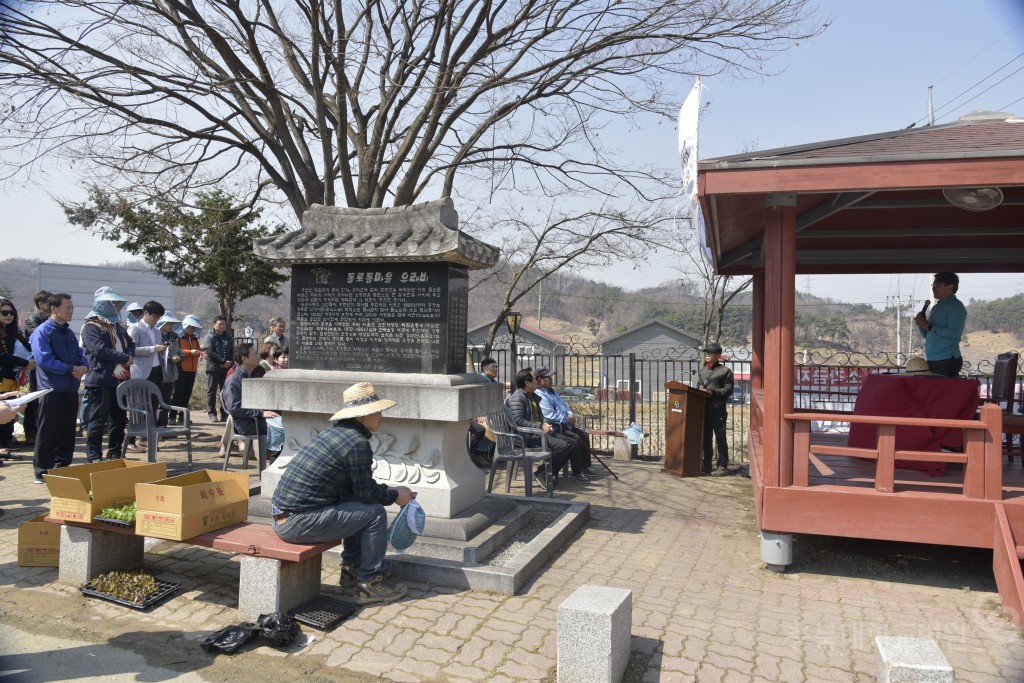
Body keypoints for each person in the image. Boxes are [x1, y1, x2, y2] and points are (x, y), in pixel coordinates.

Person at [271, 381, 414, 605]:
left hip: (284, 517)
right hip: (297, 522)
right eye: (377, 410)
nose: (381, 415)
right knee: (375, 513)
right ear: (362, 416)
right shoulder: (357, 443)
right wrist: (396, 496)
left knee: (361, 508)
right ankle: (370, 584)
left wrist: (392, 490)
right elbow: (367, 495)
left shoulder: (337, 434)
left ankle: (352, 570)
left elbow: (356, 490)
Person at [31, 293, 89, 482]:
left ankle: (62, 467)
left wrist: (84, 366)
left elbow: (81, 354)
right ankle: (42, 471)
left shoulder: (68, 332)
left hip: (71, 388)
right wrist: (71, 369)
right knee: (48, 431)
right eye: (67, 307)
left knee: (67, 431)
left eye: (72, 307)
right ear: (53, 309)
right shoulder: (43, 331)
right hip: (52, 389)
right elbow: (44, 359)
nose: (71, 311)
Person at [505, 368, 585, 488]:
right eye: (534, 380)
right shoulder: (518, 398)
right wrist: (540, 427)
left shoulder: (532, 396)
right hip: (527, 437)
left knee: (572, 443)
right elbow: (518, 421)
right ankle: (543, 473)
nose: (537, 382)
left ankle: (543, 473)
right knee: (562, 446)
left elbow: (540, 417)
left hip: (539, 433)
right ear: (527, 383)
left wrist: (546, 424)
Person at [81, 289, 135, 462]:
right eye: (115, 304)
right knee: (97, 420)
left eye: (119, 304)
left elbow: (130, 343)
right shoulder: (91, 326)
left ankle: (114, 453)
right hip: (101, 378)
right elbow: (99, 350)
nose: (118, 307)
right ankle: (94, 456)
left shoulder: (118, 326)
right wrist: (124, 357)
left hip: (120, 379)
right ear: (104, 306)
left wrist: (128, 356)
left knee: (119, 420)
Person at [534, 366, 597, 477]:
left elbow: (564, 405)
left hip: (566, 423)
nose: (552, 380)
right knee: (575, 439)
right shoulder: (540, 394)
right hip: (557, 426)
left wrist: (570, 414)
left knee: (584, 435)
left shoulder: (552, 392)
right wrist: (566, 419)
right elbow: (549, 415)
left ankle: (584, 467)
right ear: (540, 380)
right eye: (548, 378)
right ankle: (576, 472)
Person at [914, 272, 967, 378]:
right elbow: (929, 334)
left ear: (950, 287)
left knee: (945, 393)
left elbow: (954, 333)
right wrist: (922, 324)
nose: (933, 288)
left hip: (947, 358)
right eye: (933, 285)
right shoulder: (936, 307)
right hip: (933, 358)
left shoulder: (956, 306)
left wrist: (929, 326)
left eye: (937, 285)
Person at [0, 297, 34, 459]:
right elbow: (2, 357)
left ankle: (5, 448)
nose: (9, 315)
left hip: (12, 380)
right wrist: (25, 363)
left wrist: (31, 359)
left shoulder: (15, 332)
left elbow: (29, 347)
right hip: (1, 380)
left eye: (11, 312)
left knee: (9, 415)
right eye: (4, 312)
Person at [221, 342, 278, 438]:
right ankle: (272, 453)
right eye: (254, 354)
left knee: (286, 421)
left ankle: (272, 452)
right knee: (280, 427)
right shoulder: (234, 380)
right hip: (246, 423)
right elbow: (234, 407)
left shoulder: (255, 375)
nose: (258, 356)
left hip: (257, 418)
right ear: (244, 359)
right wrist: (261, 413)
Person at [697, 342, 734, 476]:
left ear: (718, 356)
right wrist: (699, 389)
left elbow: (728, 390)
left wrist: (713, 392)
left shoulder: (725, 371)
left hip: (718, 410)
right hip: (704, 409)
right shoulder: (703, 370)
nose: (707, 355)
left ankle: (723, 466)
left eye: (710, 353)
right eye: (707, 353)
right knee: (706, 438)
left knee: (720, 438)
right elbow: (698, 386)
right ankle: (706, 464)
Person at [21, 290, 51, 446]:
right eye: (49, 302)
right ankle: (31, 432)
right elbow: (41, 339)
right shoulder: (33, 320)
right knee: (34, 399)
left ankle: (44, 432)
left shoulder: (52, 319)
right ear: (41, 304)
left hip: (50, 365)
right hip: (37, 364)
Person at [467, 358, 499, 468]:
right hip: (474, 414)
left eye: (496, 367)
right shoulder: (479, 381)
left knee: (499, 424)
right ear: (484, 368)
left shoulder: (493, 382)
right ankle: (473, 454)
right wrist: (477, 414)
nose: (496, 369)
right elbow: (472, 400)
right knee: (482, 428)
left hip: (487, 414)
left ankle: (486, 455)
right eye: (493, 367)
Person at [171, 315, 203, 424]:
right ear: (185, 326)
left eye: (194, 328)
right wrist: (191, 352)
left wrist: (200, 351)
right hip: (181, 368)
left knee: (187, 394)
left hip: (192, 369)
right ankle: (172, 416)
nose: (193, 330)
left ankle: (182, 417)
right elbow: (181, 351)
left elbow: (196, 349)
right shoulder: (179, 338)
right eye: (191, 327)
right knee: (178, 393)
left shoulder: (194, 338)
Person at [203, 315, 234, 422]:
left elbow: (231, 351)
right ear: (214, 324)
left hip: (226, 368)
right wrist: (222, 361)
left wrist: (228, 362)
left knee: (225, 391)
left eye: (224, 324)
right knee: (211, 391)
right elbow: (210, 352)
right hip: (213, 367)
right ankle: (212, 413)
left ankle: (224, 414)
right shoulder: (209, 337)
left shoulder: (228, 337)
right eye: (219, 324)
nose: (222, 326)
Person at [157, 314, 183, 427]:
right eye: (168, 323)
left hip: (172, 374)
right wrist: (169, 358)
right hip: (159, 373)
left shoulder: (174, 337)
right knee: (158, 401)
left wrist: (179, 358)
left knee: (166, 401)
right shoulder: (157, 336)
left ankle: (163, 426)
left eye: (172, 323)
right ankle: (156, 427)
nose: (170, 325)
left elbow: (181, 353)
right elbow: (156, 354)